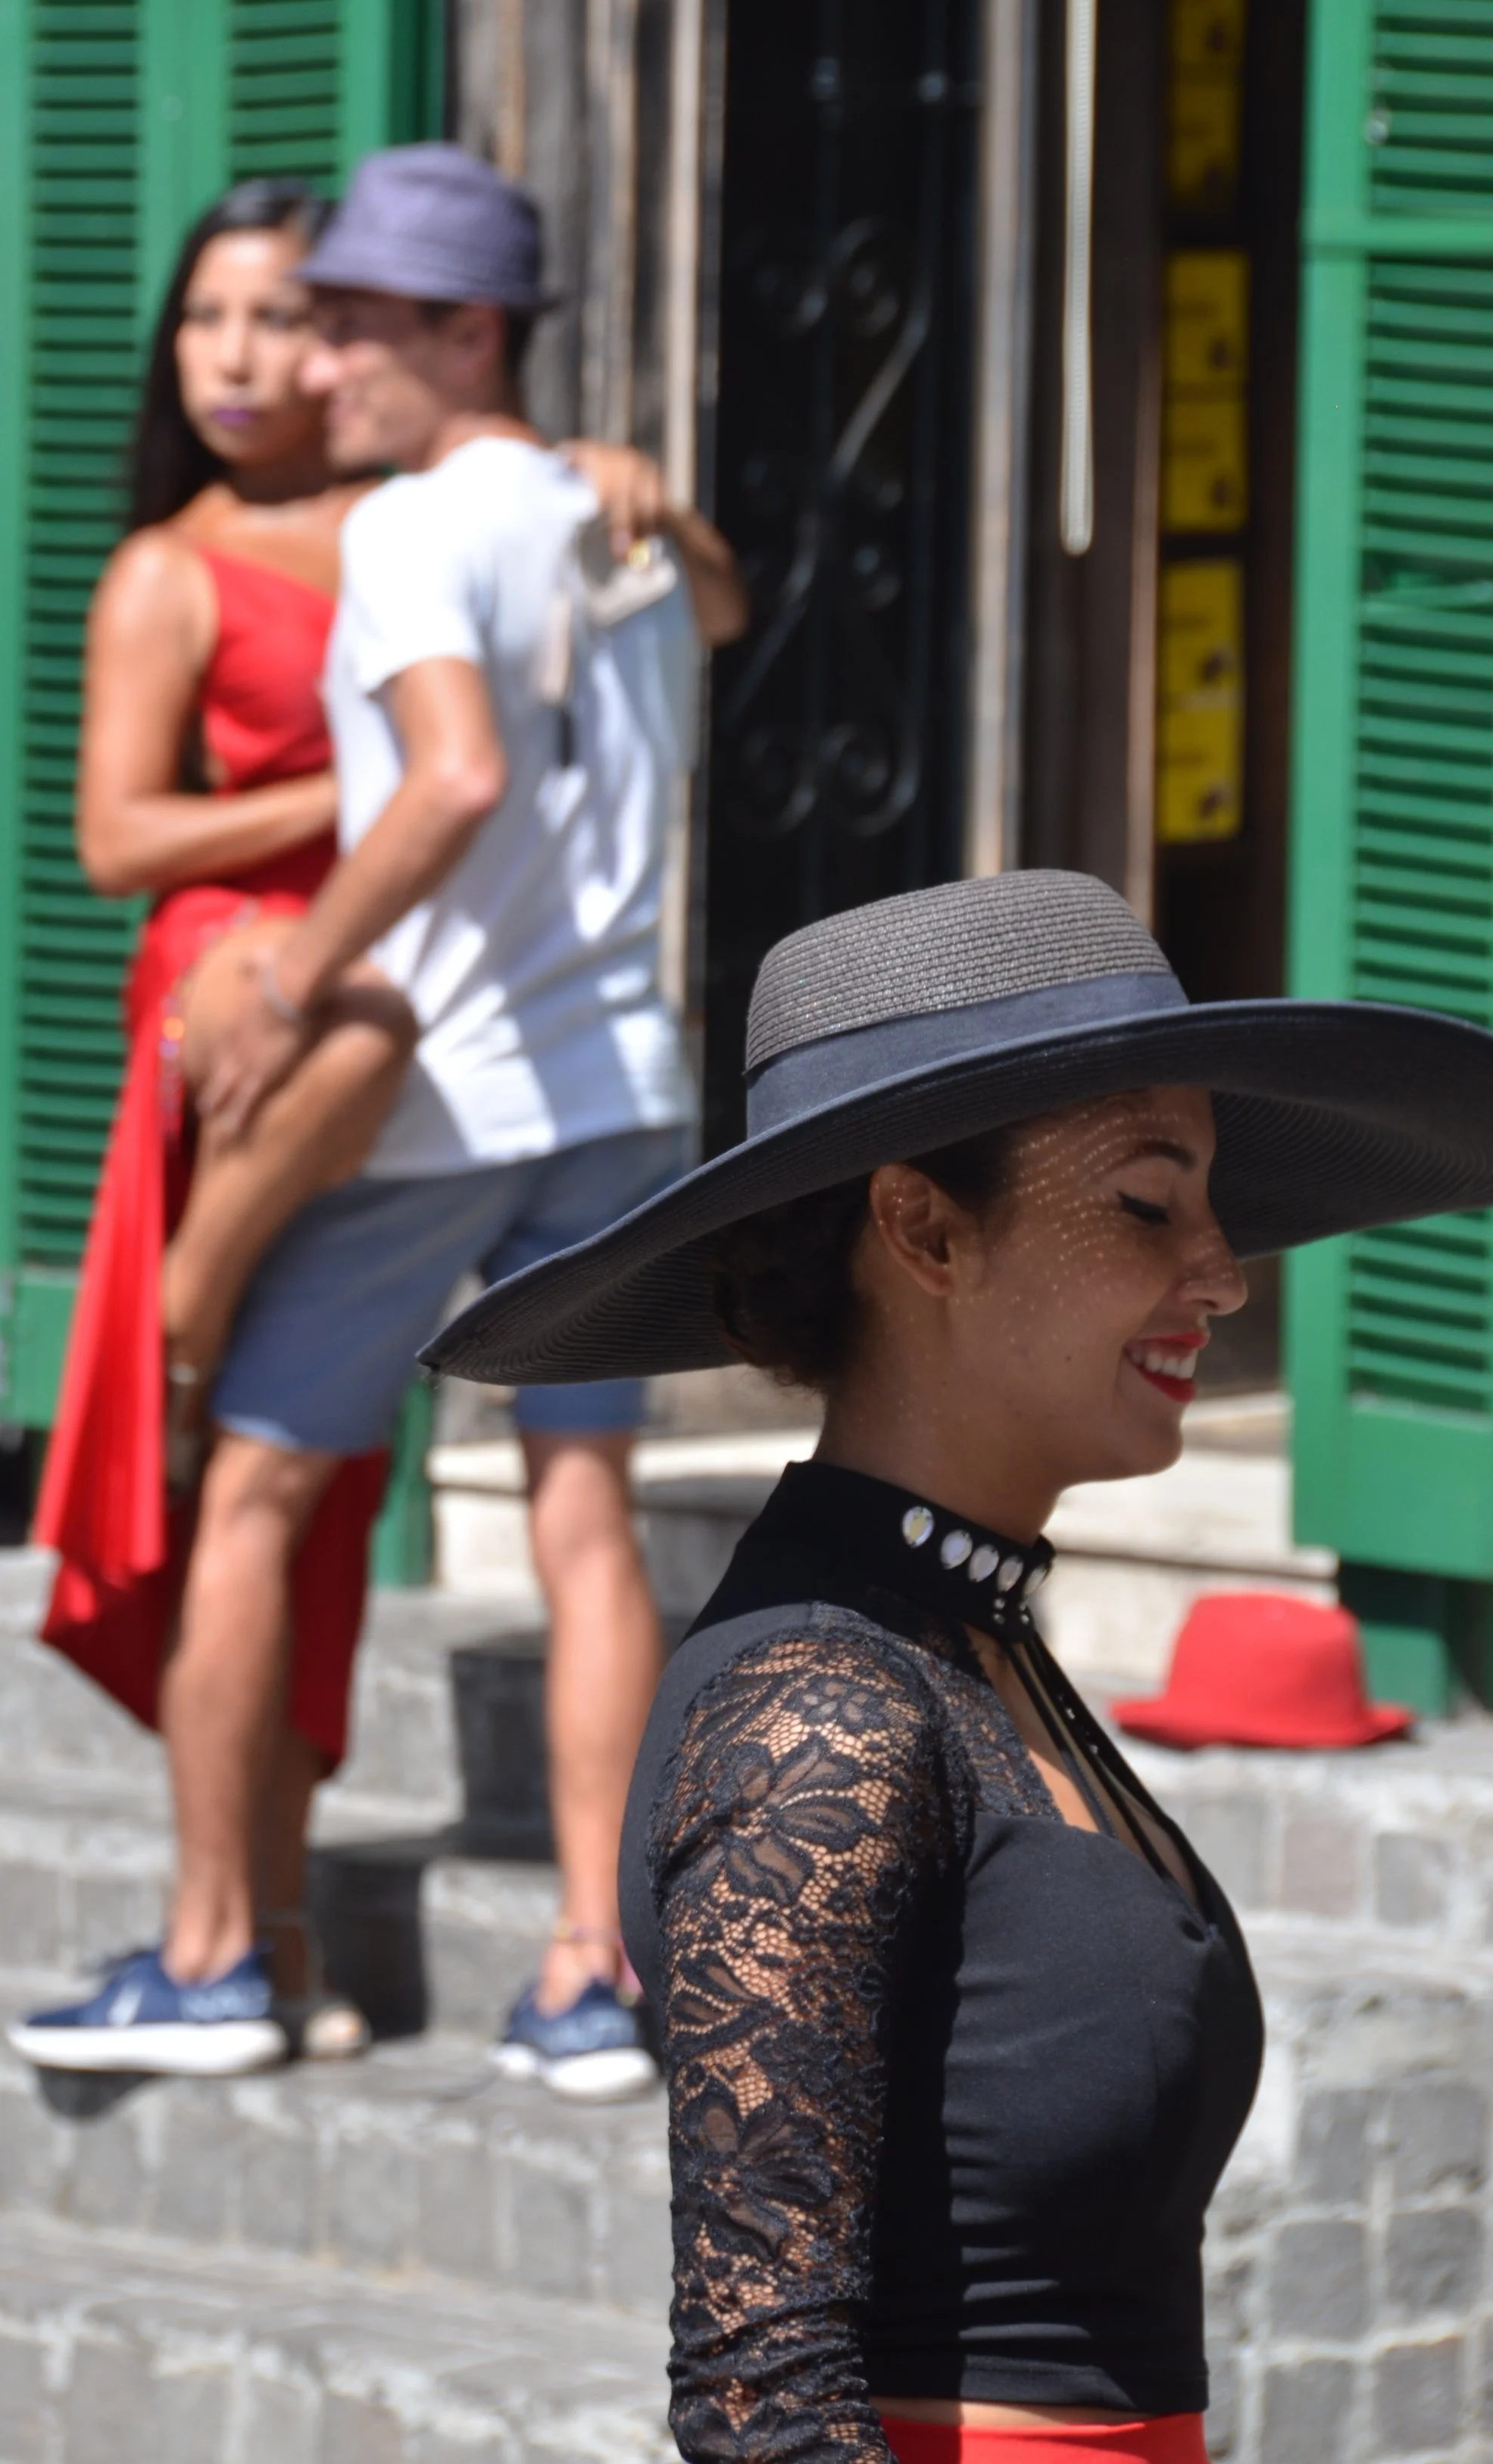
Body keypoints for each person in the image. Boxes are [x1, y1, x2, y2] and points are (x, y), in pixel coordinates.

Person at [422, 867, 1493, 2462]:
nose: (1218, 1272)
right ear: (922, 1228)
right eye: (1146, 1202)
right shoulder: (818, 1705)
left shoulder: (973, 1641)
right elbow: (761, 2405)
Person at [17, 157, 738, 2080]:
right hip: (619, 1085)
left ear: (462, 332)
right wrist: (634, 481)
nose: (311, 358)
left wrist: (286, 970)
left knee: (247, 1497)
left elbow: (451, 779)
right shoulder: (627, 526)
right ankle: (599, 1969)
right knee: (584, 1520)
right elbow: (716, 620)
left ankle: (211, 1960)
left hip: (443, 1082)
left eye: (348, 320)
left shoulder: (420, 528)